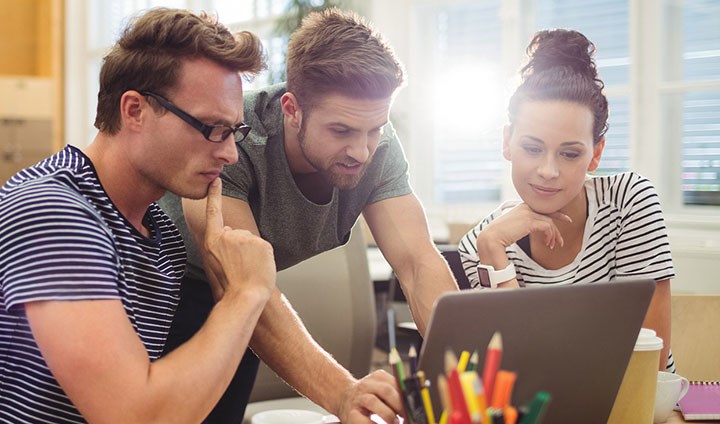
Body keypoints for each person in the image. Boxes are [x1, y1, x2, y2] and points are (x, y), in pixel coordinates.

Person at [160, 8, 459, 423]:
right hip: (165, 293)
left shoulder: (376, 144)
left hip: (244, 306)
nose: (362, 150)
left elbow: (417, 263)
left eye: (375, 129)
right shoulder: (231, 136)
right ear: (292, 108)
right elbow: (241, 285)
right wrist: (343, 394)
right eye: (342, 131)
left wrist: (466, 376)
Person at [0, 8, 276, 423]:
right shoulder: (54, 210)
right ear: (134, 111)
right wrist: (245, 295)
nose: (229, 153)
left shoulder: (160, 233)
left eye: (233, 131)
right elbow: (133, 416)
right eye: (211, 128)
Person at [458, 29, 675, 372]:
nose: (548, 171)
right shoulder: (482, 244)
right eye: (532, 148)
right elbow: (514, 371)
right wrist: (492, 248)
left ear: (595, 154)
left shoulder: (628, 201)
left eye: (570, 154)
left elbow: (651, 363)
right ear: (507, 142)